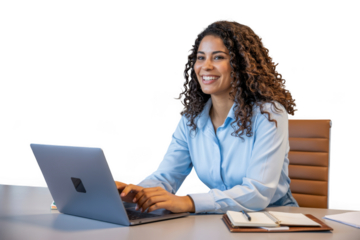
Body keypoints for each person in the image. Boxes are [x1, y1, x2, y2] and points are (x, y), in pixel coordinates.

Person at [116, 18, 300, 214]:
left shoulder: (269, 113)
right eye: (201, 57)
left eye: (218, 57)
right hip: (222, 218)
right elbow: (167, 176)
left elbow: (258, 192)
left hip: (274, 218)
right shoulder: (191, 120)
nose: (206, 66)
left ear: (241, 64)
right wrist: (136, 193)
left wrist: (189, 202)